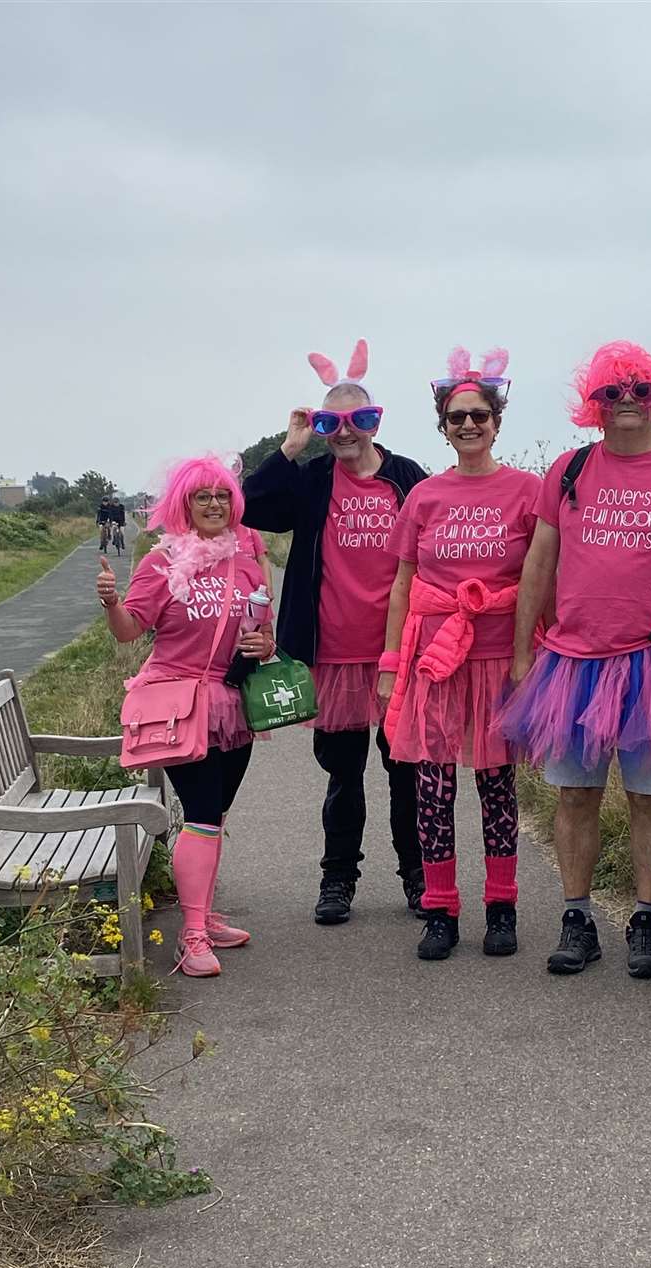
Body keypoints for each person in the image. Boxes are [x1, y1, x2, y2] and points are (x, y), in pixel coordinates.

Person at [499, 341, 651, 979]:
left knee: (649, 799)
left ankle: (645, 919)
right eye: (612, 392)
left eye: (639, 390)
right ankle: (577, 919)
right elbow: (539, 563)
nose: (626, 403)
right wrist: (523, 650)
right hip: (572, 667)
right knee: (575, 796)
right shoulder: (571, 469)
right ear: (594, 404)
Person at [242, 340, 426, 925]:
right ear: (321, 427)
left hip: (398, 652)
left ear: (374, 421)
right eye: (332, 423)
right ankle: (338, 879)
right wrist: (288, 449)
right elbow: (253, 508)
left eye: (358, 420)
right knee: (342, 775)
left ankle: (418, 880)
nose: (346, 433)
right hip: (331, 654)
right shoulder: (312, 479)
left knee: (406, 772)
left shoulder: (406, 479)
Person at [380, 347, 540, 961]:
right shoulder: (423, 497)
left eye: (478, 415)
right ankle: (441, 910)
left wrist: (537, 659)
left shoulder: (527, 492)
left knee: (497, 787)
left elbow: (542, 579)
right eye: (456, 417)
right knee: (433, 788)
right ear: (442, 428)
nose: (468, 425)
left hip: (500, 660)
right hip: (435, 661)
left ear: (497, 422)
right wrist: (390, 667)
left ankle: (502, 907)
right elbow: (402, 586)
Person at [96, 455, 273, 977]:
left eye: (222, 496)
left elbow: (264, 636)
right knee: (199, 812)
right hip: (176, 703)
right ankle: (190, 936)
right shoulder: (161, 563)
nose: (215, 505)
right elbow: (130, 630)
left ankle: (204, 914)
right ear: (184, 505)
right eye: (203, 497)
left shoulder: (246, 562)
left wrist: (263, 644)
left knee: (214, 815)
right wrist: (110, 603)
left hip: (231, 704)